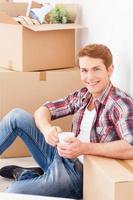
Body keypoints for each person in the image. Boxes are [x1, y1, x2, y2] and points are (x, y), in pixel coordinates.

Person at [0, 43, 133, 199]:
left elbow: (130, 147)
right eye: (84, 70)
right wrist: (47, 129)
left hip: (77, 175)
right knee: (16, 116)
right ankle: (38, 176)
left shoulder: (120, 103)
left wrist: (84, 148)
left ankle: (29, 176)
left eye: (96, 69)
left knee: (12, 192)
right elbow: (44, 109)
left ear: (110, 70)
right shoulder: (83, 95)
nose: (89, 78)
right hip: (62, 155)